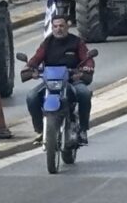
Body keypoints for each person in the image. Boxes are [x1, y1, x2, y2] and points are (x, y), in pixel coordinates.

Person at [23, 15, 95, 145]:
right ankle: (40, 130)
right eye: (55, 26)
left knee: (84, 94)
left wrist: (86, 68)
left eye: (61, 26)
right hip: (50, 82)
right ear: (52, 28)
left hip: (72, 80)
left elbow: (87, 58)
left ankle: (83, 130)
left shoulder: (76, 42)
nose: (58, 29)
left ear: (67, 26)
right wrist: (29, 68)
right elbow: (36, 58)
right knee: (31, 97)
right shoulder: (47, 43)